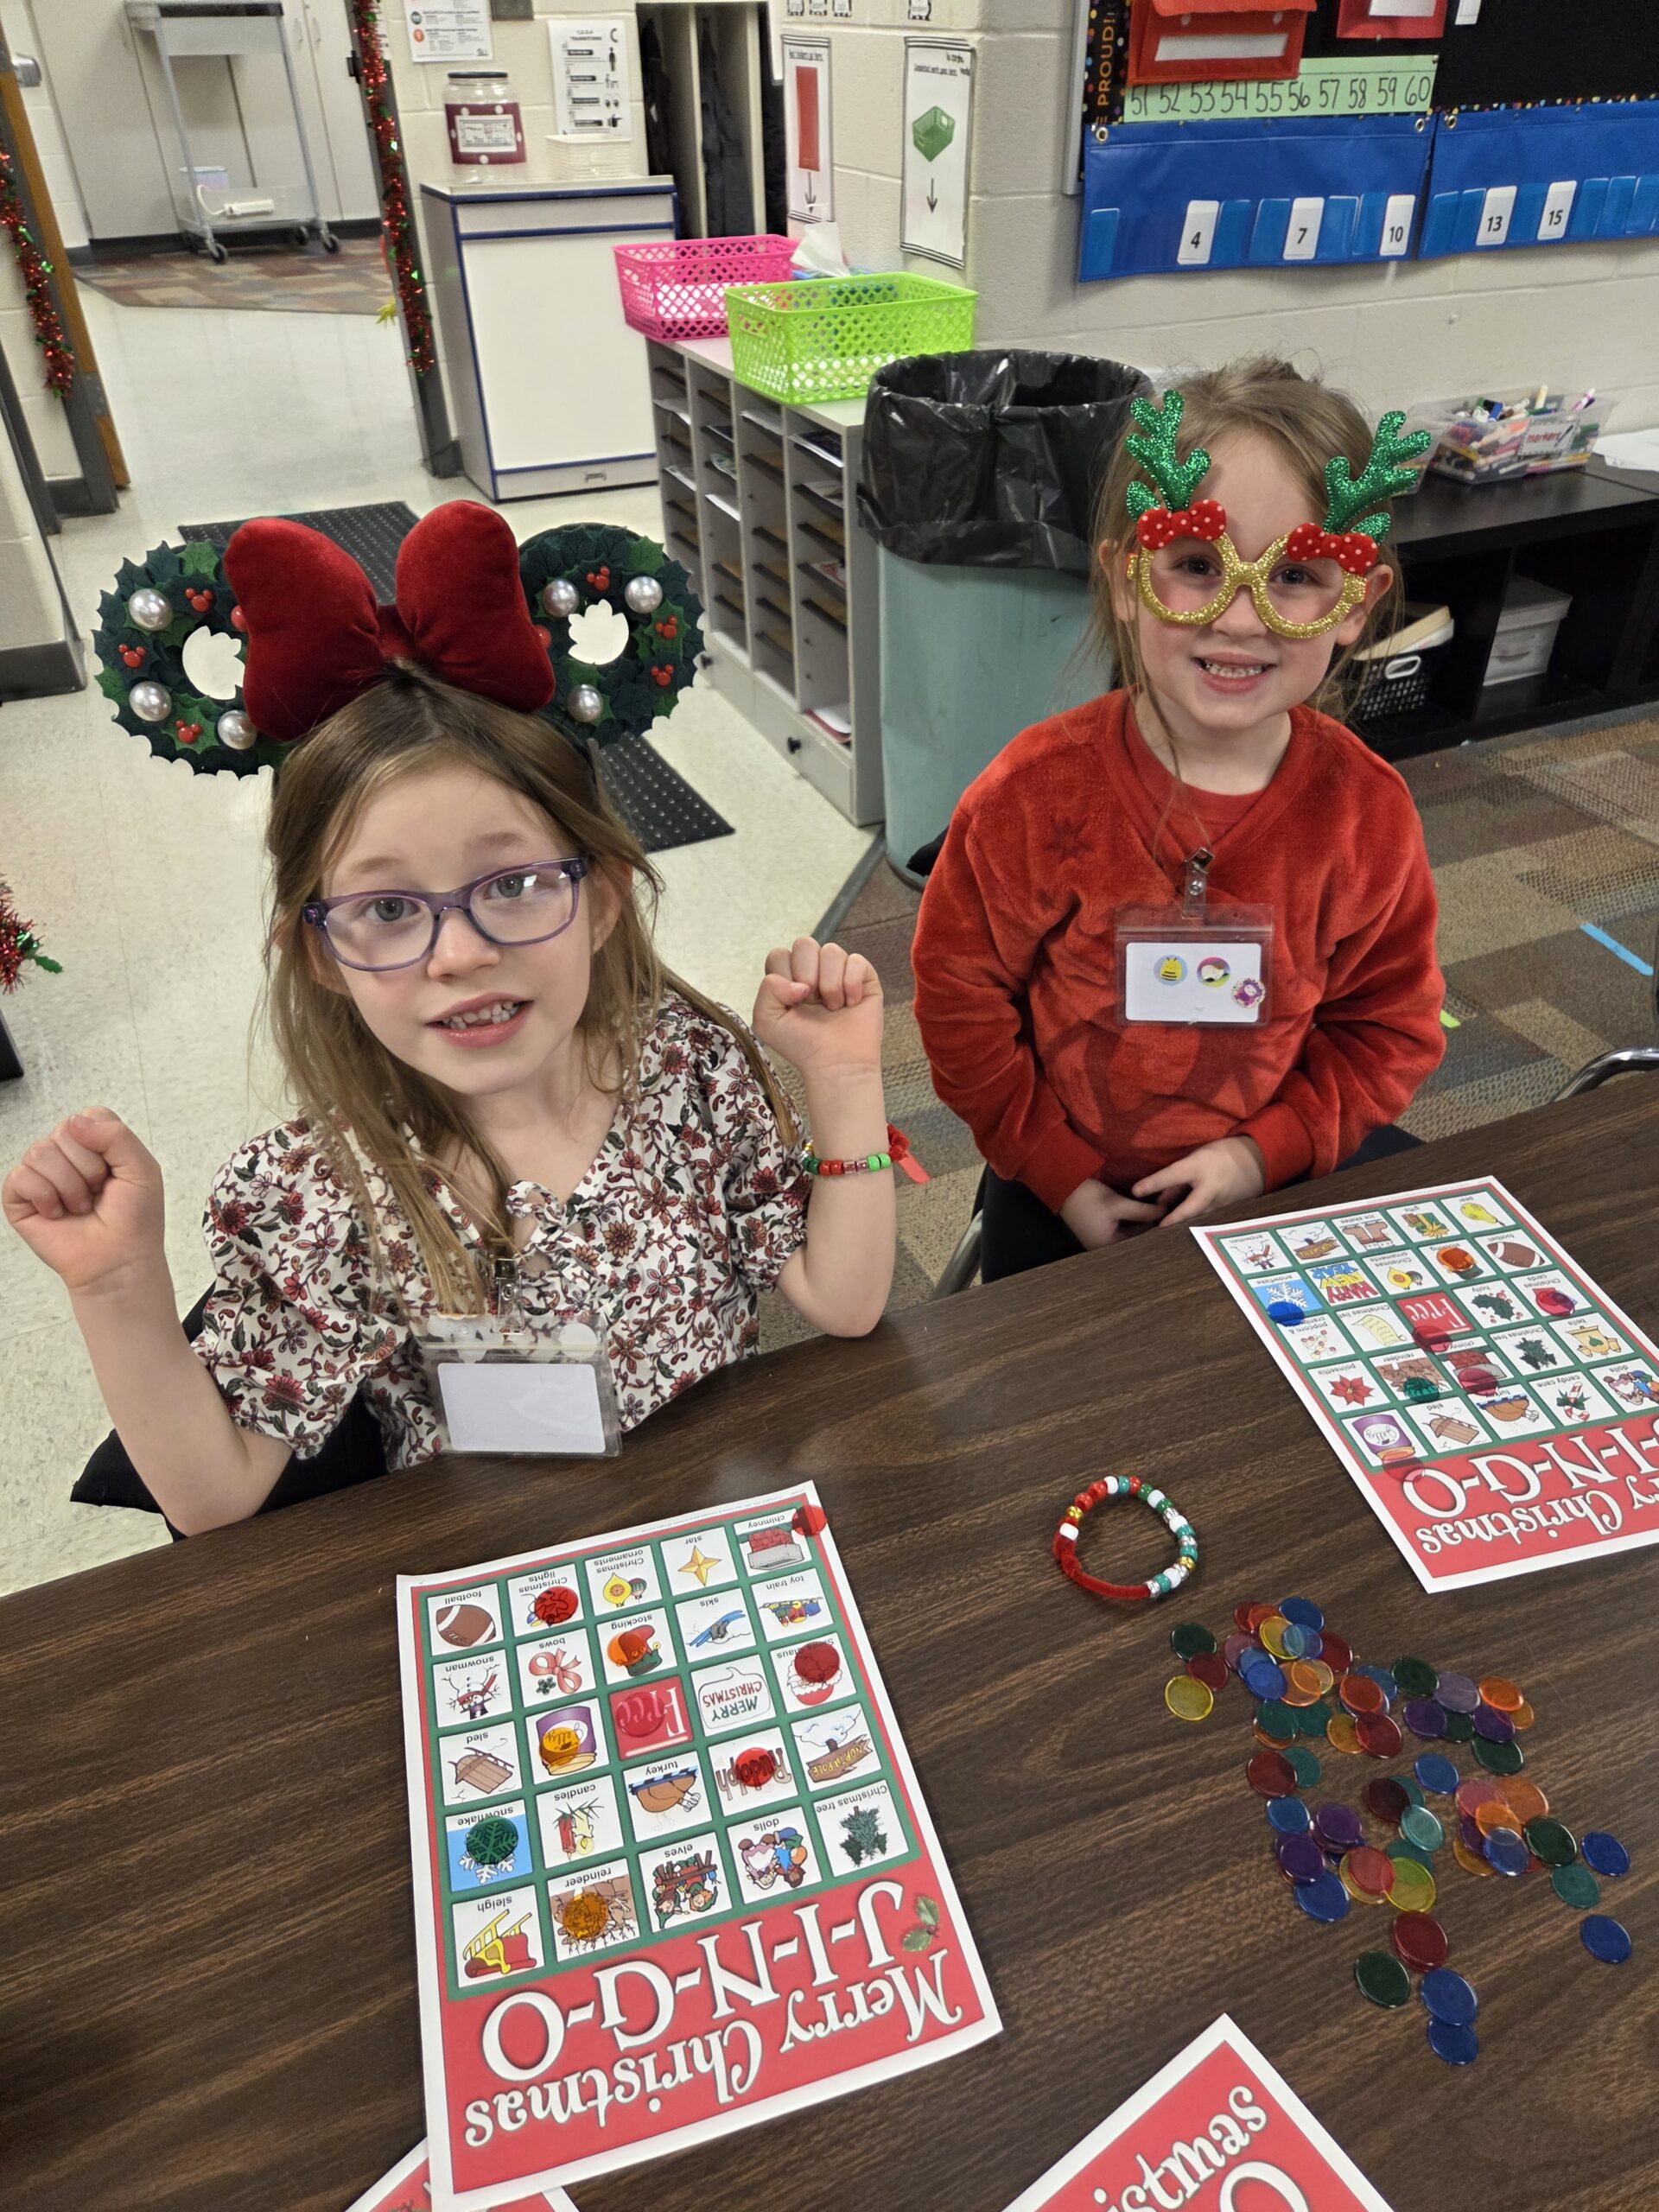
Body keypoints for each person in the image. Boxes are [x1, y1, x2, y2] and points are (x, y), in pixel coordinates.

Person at [3, 505, 895, 1532]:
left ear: (602, 897)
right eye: (387, 909)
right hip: (496, 1580)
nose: (460, 951)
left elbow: (847, 1299)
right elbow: (216, 1497)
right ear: (323, 954)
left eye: (513, 882)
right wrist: (117, 1286)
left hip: (706, 1529)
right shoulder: (320, 1197)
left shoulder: (688, 1074)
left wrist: (843, 1084)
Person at [912, 358, 1445, 1283]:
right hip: (1064, 1189)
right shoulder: (1030, 797)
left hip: (1275, 1184)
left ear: (1354, 605)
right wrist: (1059, 1173)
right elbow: (960, 1005)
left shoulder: (1365, 817)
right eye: (1198, 565)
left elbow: (1388, 1028)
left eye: (1297, 576)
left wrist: (1262, 1154)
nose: (1241, 617)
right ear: (1126, 579)